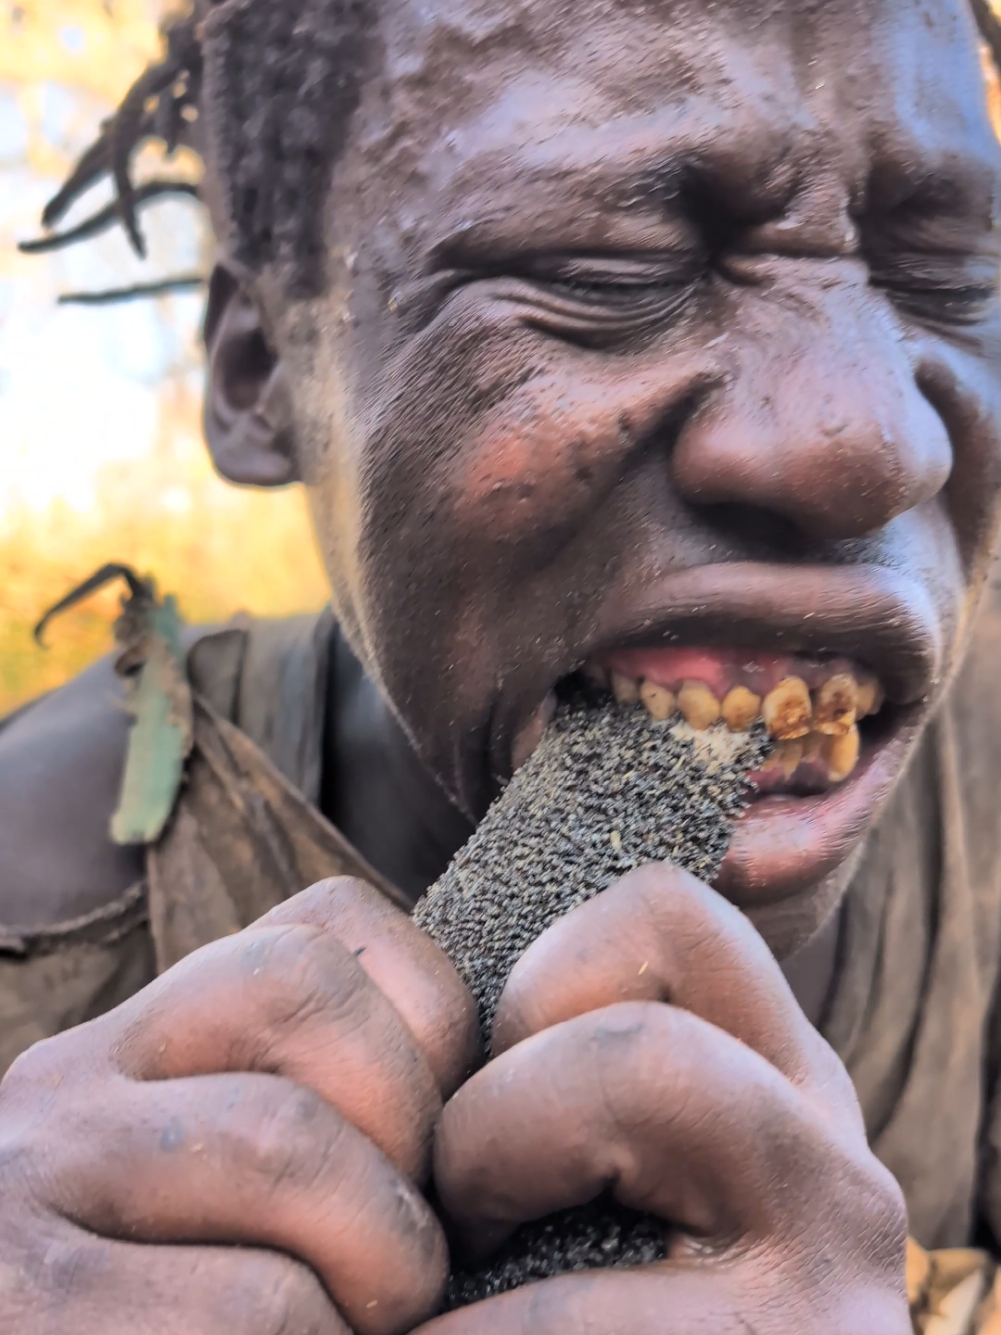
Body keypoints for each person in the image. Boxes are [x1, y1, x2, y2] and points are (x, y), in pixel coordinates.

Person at [3, 0, 1001, 1328]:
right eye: (606, 266)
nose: (866, 441)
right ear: (260, 374)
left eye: (945, 277)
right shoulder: (43, 903)